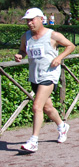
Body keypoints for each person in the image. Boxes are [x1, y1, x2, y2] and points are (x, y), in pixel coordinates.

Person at [15, 8, 75, 153]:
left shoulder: (52, 35)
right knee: (47, 108)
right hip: (35, 76)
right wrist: (19, 55)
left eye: (32, 20)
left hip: (49, 76)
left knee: (37, 106)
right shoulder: (26, 36)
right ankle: (62, 126)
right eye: (27, 21)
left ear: (41, 19)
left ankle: (33, 141)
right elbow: (23, 50)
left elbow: (71, 46)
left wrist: (59, 58)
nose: (29, 23)